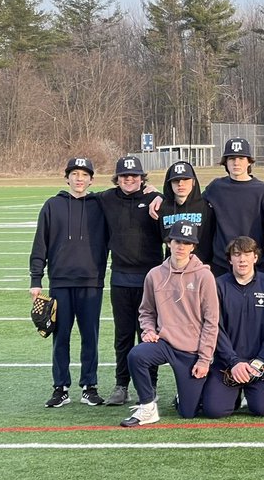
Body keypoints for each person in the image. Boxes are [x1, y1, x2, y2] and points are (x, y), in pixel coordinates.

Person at [119, 222, 219, 426]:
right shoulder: (155, 275)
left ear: (193, 247)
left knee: (188, 412)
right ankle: (148, 406)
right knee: (136, 355)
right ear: (169, 243)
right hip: (165, 344)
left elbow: (211, 321)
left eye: (186, 242)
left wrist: (204, 359)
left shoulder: (204, 276)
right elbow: (146, 311)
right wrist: (148, 330)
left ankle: (184, 397)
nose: (181, 246)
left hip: (192, 349)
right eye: (177, 241)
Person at [30, 156, 109, 408]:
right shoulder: (52, 205)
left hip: (91, 282)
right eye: (75, 174)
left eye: (84, 175)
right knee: (60, 336)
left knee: (90, 336)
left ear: (91, 180)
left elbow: (125, 199)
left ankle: (89, 386)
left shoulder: (100, 204)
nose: (79, 179)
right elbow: (40, 243)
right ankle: (60, 387)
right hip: (60, 281)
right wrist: (36, 279)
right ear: (67, 177)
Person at [95, 155, 163, 406]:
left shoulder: (154, 200)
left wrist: (159, 194)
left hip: (150, 279)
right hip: (121, 280)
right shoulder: (106, 199)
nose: (130, 179)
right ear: (117, 179)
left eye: (134, 176)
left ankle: (150, 386)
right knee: (123, 336)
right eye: (125, 176)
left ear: (142, 178)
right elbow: (83, 197)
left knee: (149, 335)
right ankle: (121, 385)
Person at [201, 236, 264, 418]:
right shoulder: (218, 285)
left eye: (247, 254)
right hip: (227, 364)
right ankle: (234, 394)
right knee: (215, 411)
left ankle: (251, 389)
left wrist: (260, 361)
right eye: (236, 254)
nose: (242, 259)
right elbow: (216, 328)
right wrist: (234, 362)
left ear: (255, 257)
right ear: (230, 259)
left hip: (260, 363)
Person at [202, 137, 264, 276]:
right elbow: (193, 205)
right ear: (225, 162)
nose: (236, 163)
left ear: (249, 161)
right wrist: (158, 197)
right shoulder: (215, 188)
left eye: (241, 158)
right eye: (231, 158)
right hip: (221, 266)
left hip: (252, 266)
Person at [155, 160, 216, 266]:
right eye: (176, 180)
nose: (180, 184)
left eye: (185, 179)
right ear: (169, 183)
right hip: (172, 268)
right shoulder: (161, 208)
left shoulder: (206, 207)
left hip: (200, 269)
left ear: (193, 182)